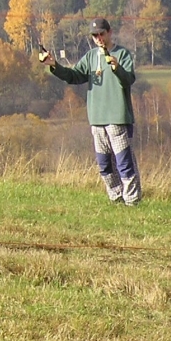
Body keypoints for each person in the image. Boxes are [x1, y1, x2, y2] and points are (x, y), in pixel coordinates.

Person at [40, 17, 141, 205]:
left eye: (102, 34)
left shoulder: (122, 54)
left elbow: (128, 80)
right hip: (97, 119)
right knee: (104, 164)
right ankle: (116, 197)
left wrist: (117, 68)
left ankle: (132, 200)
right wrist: (54, 65)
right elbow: (74, 76)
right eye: (95, 35)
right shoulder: (91, 57)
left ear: (109, 32)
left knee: (124, 163)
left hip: (118, 118)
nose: (99, 38)